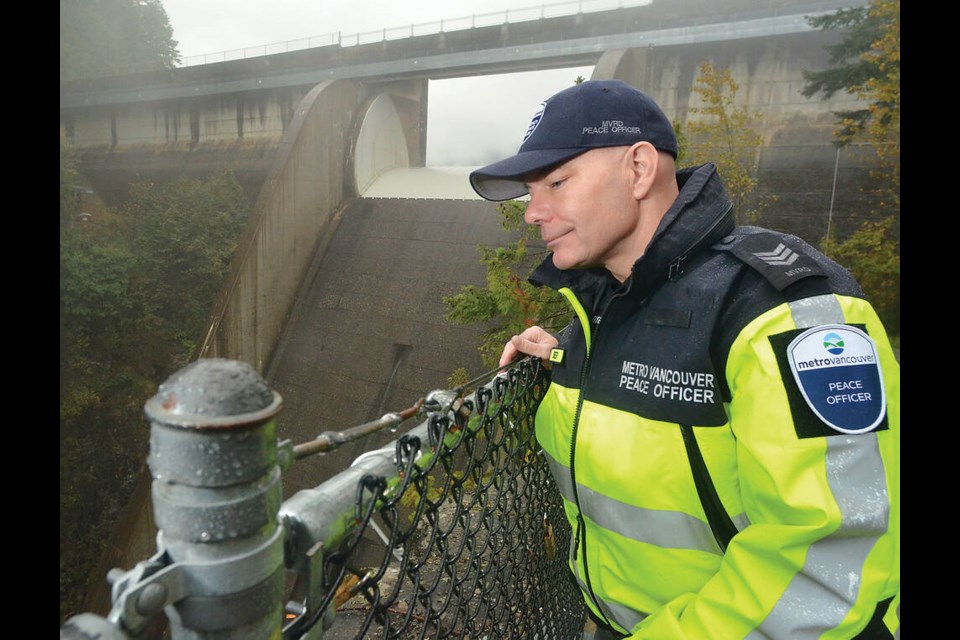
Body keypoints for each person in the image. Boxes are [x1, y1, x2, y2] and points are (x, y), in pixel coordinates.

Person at [469, 79, 900, 639]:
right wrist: (562, 355)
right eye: (531, 190)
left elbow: (828, 564)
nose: (534, 212)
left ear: (640, 169)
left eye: (556, 181)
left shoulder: (786, 310)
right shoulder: (600, 309)